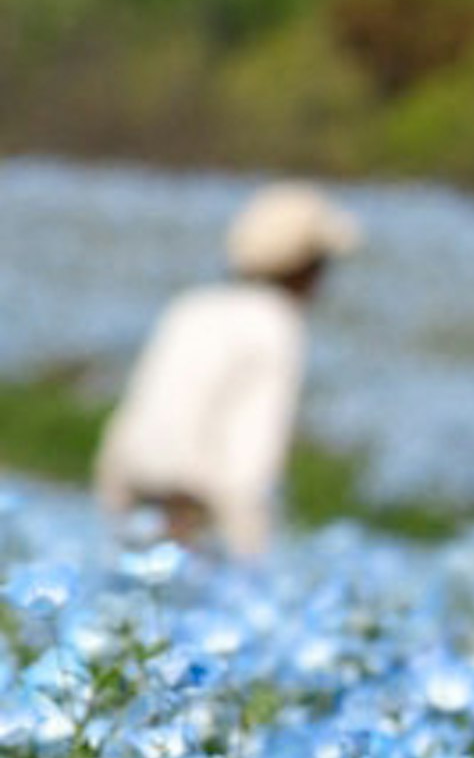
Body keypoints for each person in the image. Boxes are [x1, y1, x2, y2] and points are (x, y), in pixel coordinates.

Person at [92, 181, 364, 556]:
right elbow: (251, 458)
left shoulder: (194, 306)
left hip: (136, 496)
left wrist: (115, 505)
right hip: (196, 515)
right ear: (302, 265)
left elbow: (135, 421)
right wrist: (252, 554)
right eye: (322, 265)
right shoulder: (276, 326)